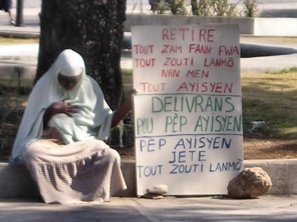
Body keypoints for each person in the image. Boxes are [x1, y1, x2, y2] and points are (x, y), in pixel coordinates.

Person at [10, 49, 135, 204]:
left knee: (109, 156)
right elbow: (32, 130)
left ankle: (88, 193)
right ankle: (55, 193)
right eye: (64, 80)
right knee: (32, 153)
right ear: (57, 75)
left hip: (81, 146)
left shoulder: (90, 87)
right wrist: (50, 111)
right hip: (50, 147)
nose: (69, 84)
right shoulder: (44, 86)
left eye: (74, 80)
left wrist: (128, 105)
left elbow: (107, 122)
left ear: (81, 76)